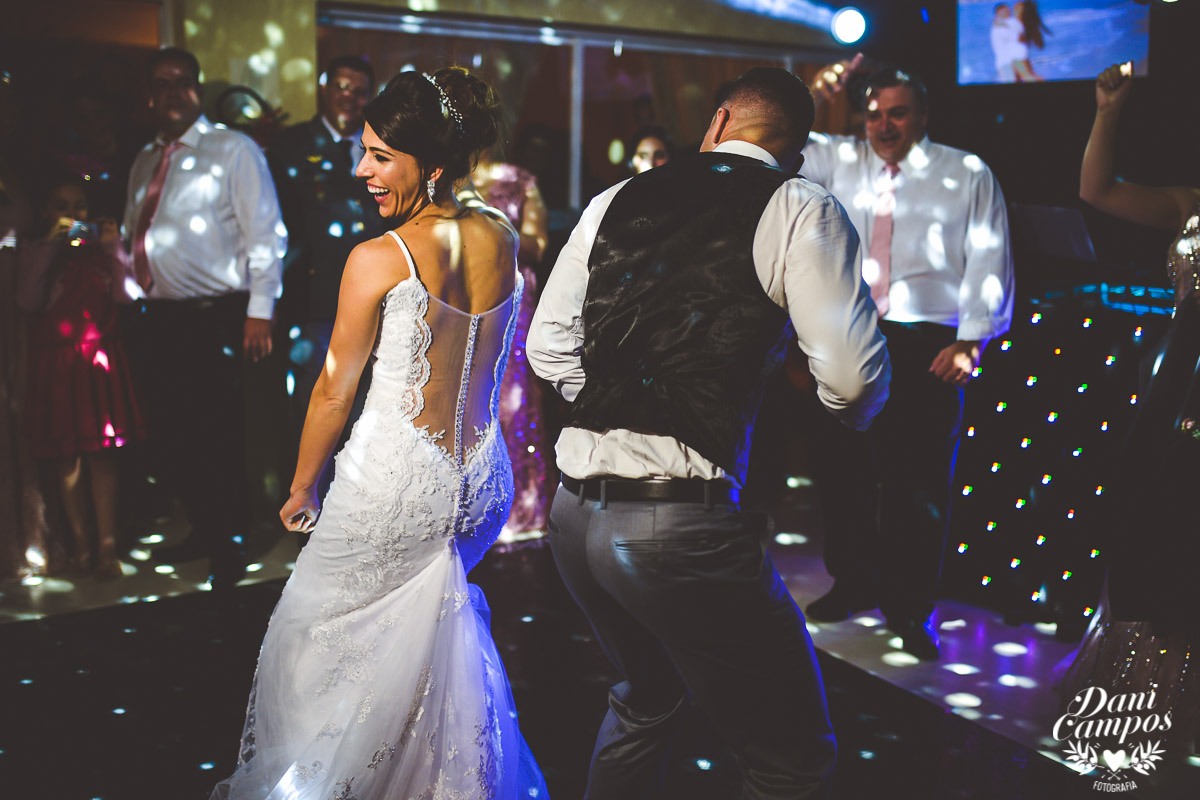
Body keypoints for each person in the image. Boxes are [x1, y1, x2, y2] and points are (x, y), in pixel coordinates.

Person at [529, 66, 891, 799]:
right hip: (675, 526)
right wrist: (847, 414)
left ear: (720, 122)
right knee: (793, 755)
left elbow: (547, 347)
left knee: (644, 702)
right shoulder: (798, 206)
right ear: (795, 146)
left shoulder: (616, 198)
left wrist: (620, 401)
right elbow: (852, 380)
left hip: (572, 520)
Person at [211, 67, 549, 800]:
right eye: (363, 150)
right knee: (422, 654)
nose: (361, 168)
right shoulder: (501, 235)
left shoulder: (378, 259)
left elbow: (334, 389)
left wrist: (302, 484)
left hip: (398, 485)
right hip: (483, 482)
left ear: (432, 164)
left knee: (313, 651)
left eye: (381, 156)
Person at [802, 61, 1014, 660]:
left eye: (897, 113)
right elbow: (781, 151)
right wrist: (815, 98)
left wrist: (972, 340)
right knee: (842, 469)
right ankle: (853, 581)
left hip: (928, 343)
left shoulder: (965, 171)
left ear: (922, 114)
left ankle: (911, 605)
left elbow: (989, 254)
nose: (883, 125)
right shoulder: (837, 159)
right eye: (873, 113)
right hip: (848, 332)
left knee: (917, 482)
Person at [1059, 62, 1199, 757]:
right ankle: (1144, 701)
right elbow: (1096, 191)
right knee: (1149, 528)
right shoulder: (1188, 200)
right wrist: (1108, 111)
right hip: (1173, 388)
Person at [122, 47, 286, 588]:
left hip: (217, 316)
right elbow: (135, 236)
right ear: (148, 96)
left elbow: (265, 233)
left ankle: (230, 543)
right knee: (174, 433)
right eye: (160, 83)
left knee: (218, 433)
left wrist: (259, 312)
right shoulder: (146, 158)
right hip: (159, 318)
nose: (172, 92)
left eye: (181, 82)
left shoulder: (232, 149)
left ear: (196, 89)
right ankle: (202, 525)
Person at [15, 172, 142, 579]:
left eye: (79, 207)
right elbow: (26, 300)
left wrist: (113, 248)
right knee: (66, 458)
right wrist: (51, 247)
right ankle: (81, 543)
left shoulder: (102, 255)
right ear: (45, 212)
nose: (72, 216)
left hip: (98, 360)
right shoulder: (36, 252)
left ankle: (106, 546)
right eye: (61, 207)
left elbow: (129, 296)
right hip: (55, 364)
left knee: (102, 456)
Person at [270, 54, 385, 499]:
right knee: (312, 412)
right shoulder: (288, 146)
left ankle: (353, 508)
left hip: (375, 301)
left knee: (365, 415)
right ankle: (305, 509)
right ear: (323, 88)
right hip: (312, 304)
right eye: (340, 85)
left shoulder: (380, 145)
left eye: (358, 89)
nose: (348, 96)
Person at [466, 145, 551, 538]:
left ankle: (518, 503)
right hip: (462, 300)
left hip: (512, 300)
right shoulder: (448, 178)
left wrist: (490, 232)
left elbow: (538, 245)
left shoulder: (520, 181)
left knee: (514, 403)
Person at [1013, 0, 1049, 83]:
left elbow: (1026, 74)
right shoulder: (1020, 30)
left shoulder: (1018, 31)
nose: (1014, 7)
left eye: (1016, 7)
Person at [989, 4, 1019, 84]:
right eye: (1006, 10)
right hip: (1006, 63)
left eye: (1009, 9)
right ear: (999, 13)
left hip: (1010, 62)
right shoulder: (999, 27)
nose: (1009, 11)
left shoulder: (1001, 24)